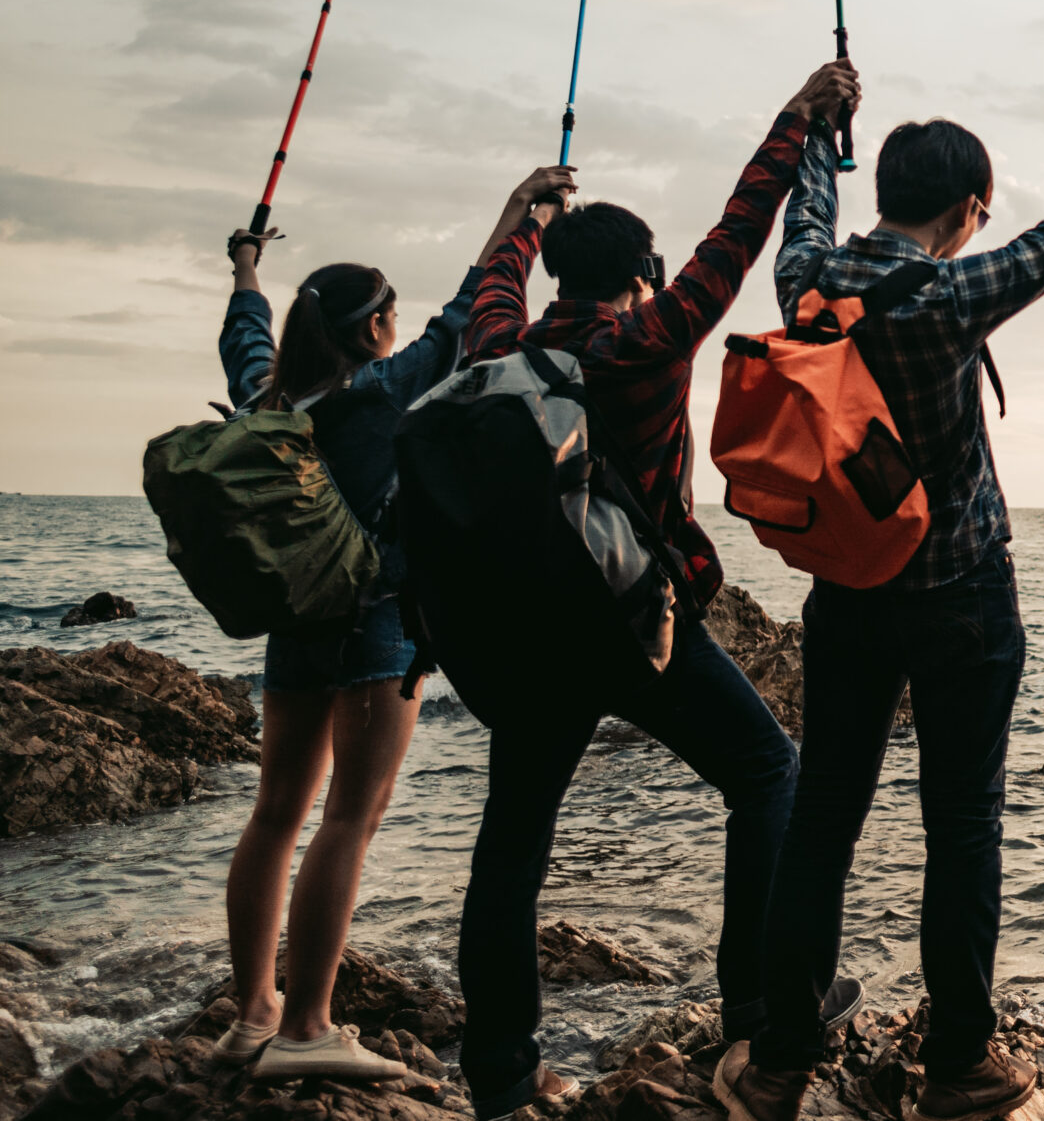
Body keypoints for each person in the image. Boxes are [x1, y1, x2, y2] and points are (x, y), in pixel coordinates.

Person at [712, 59, 1044, 1121]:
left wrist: (819, 126)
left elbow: (808, 209)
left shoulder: (806, 277)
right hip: (961, 599)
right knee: (963, 823)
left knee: (820, 820)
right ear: (965, 210)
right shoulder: (953, 293)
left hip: (847, 591)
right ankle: (958, 1066)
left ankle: (776, 1064)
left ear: (886, 192)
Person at [456, 60, 860, 1119]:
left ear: (554, 275)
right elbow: (739, 229)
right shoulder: (644, 343)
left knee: (513, 839)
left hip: (526, 635)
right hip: (640, 623)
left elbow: (495, 279)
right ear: (641, 272)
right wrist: (797, 117)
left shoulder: (500, 346)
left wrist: (521, 213)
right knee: (767, 770)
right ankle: (756, 1015)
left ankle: (500, 1072)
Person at [213, 167, 568, 1085]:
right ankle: (307, 1028)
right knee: (349, 821)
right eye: (389, 311)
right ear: (370, 328)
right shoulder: (381, 392)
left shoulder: (269, 398)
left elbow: (244, 331)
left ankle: (249, 1013)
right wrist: (517, 214)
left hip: (294, 625)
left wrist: (248, 267)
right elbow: (469, 306)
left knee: (275, 813)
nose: (400, 324)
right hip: (374, 629)